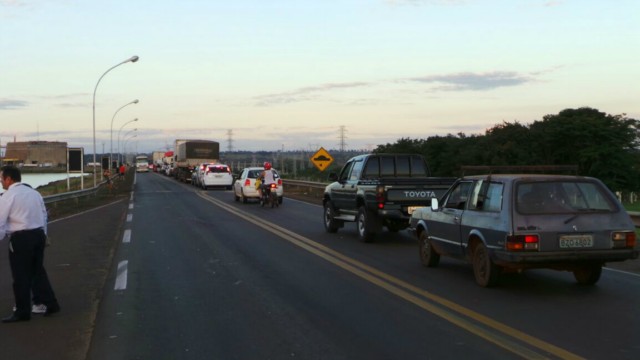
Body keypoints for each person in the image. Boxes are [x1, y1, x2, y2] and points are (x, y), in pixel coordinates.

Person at [0, 165, 60, 323]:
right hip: (38, 235)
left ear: (8, 179)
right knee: (37, 272)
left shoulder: (8, 196)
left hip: (21, 238)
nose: (1, 182)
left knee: (20, 276)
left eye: (2, 178)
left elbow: (0, 221)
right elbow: (43, 215)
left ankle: (23, 311)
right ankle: (50, 303)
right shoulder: (34, 193)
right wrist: (44, 235)